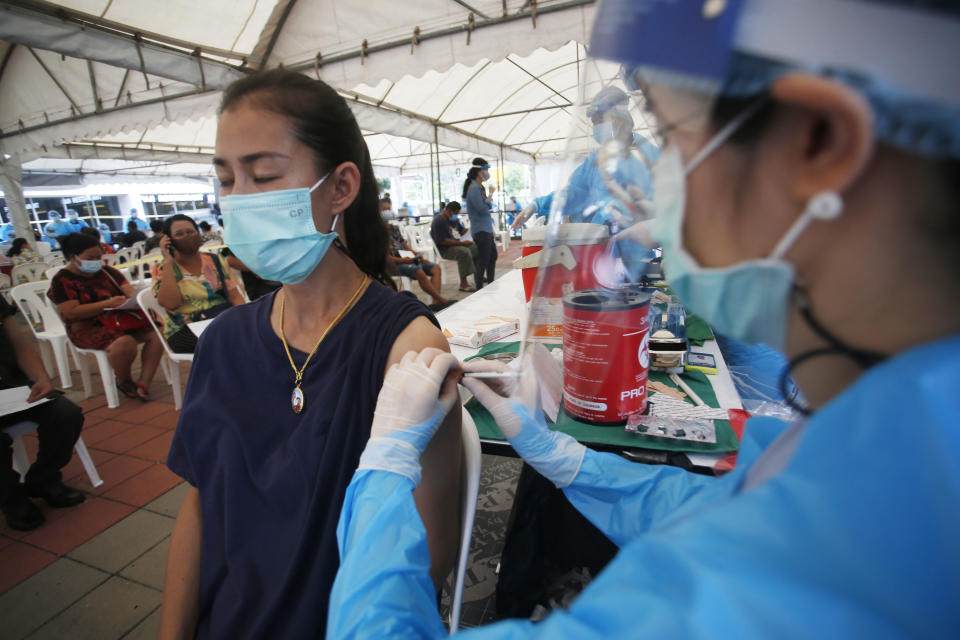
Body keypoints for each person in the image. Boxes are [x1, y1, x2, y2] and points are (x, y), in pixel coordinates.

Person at [326, 0, 960, 636]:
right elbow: (726, 504)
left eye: (673, 135)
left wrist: (383, 473)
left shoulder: (859, 540)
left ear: (819, 141)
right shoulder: (896, 437)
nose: (657, 190)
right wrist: (567, 459)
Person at [158, 69, 461, 640]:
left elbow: (423, 559)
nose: (239, 203)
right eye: (226, 180)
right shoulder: (224, 341)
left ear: (341, 187)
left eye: (264, 175)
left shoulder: (404, 348)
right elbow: (200, 509)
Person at [511, 86, 659, 232]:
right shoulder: (597, 159)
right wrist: (538, 205)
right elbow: (573, 192)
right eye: (594, 123)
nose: (597, 127)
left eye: (600, 120)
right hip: (600, 243)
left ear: (619, 118)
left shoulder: (645, 154)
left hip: (636, 248)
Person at [0, 296, 85, 531]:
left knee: (66, 414)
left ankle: (43, 479)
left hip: (11, 387)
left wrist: (41, 377)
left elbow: (18, 341)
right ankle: (12, 499)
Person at [47, 233, 163, 402]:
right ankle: (124, 380)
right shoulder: (62, 280)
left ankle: (144, 382)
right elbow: (71, 312)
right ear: (73, 257)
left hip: (120, 321)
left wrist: (134, 299)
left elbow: (128, 291)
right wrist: (106, 303)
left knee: (158, 333)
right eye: (90, 258)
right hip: (86, 328)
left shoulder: (108, 273)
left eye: (99, 257)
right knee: (125, 343)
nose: (96, 261)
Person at [153, 214, 244, 353]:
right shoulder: (163, 268)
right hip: (184, 329)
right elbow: (171, 304)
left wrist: (245, 320)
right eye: (179, 234)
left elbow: (235, 296)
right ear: (168, 241)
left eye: (190, 232)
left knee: (249, 333)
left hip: (219, 319)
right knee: (225, 341)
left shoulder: (215, 261)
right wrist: (168, 263)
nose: (187, 237)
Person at [386, 222, 450, 311]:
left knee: (435, 268)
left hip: (407, 259)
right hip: (393, 264)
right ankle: (440, 299)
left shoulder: (393, 228)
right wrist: (403, 260)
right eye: (385, 208)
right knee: (419, 272)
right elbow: (384, 257)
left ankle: (435, 303)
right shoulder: (375, 232)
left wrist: (417, 256)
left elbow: (406, 246)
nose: (389, 209)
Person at [462, 158, 497, 288]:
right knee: (484, 260)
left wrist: (488, 199)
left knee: (492, 256)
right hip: (481, 230)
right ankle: (480, 288)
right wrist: (490, 198)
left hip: (485, 229)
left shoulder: (478, 188)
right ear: (479, 172)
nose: (487, 172)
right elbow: (482, 209)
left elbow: (484, 207)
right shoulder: (474, 189)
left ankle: (491, 283)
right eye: (486, 170)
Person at [431, 201, 478, 292]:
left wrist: (471, 229)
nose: (455, 216)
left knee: (475, 248)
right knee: (463, 252)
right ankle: (463, 284)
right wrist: (463, 243)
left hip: (456, 244)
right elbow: (443, 241)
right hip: (445, 249)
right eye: (455, 213)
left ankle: (478, 275)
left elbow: (461, 231)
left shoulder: (453, 220)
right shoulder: (438, 221)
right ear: (448, 210)